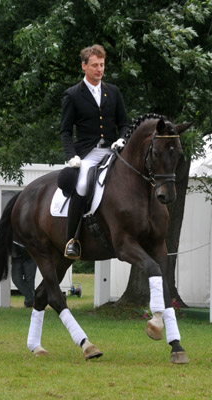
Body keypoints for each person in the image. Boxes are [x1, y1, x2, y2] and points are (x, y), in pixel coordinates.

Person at [60, 44, 128, 260]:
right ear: (84, 66)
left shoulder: (113, 92)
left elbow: (124, 123)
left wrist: (121, 139)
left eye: (102, 65)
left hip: (112, 150)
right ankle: (73, 240)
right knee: (81, 184)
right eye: (95, 65)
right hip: (88, 154)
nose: (99, 69)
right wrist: (71, 156)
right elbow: (65, 131)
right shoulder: (72, 95)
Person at [11, 242, 37, 307]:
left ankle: (29, 303)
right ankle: (32, 299)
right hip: (15, 257)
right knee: (16, 279)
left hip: (30, 256)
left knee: (30, 281)